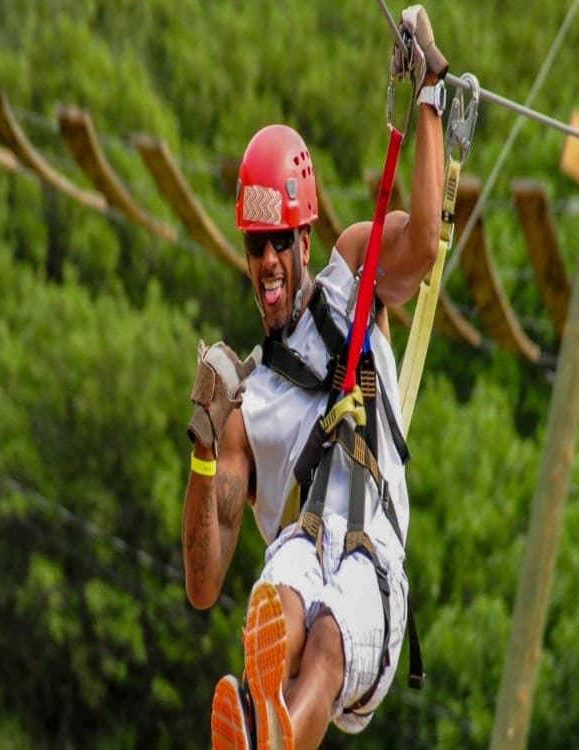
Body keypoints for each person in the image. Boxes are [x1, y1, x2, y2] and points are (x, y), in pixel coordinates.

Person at [182, 6, 449, 748]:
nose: (265, 261)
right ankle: (269, 719)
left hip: (372, 555)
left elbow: (424, 241)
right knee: (287, 602)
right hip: (299, 547)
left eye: (277, 243)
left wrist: (430, 91)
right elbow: (203, 585)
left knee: (329, 635)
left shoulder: (353, 278)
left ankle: (274, 736)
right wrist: (203, 450)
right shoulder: (247, 402)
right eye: (253, 246)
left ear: (303, 236)